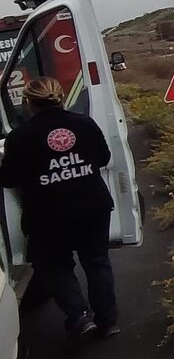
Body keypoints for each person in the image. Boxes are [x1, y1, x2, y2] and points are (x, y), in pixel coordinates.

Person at [0, 77, 119, 341]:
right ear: (62, 97)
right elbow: (103, 158)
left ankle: (79, 316)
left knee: (54, 265)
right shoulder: (85, 124)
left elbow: (8, 178)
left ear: (28, 103)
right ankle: (108, 322)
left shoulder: (20, 137)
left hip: (48, 214)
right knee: (97, 262)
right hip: (93, 206)